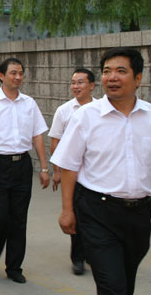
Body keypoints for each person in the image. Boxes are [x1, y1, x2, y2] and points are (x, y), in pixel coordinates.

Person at [52, 47, 151, 295]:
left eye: (121, 71)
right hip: (96, 211)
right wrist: (67, 210)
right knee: (112, 285)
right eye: (107, 71)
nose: (112, 77)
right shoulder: (86, 116)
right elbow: (69, 165)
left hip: (139, 214)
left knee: (125, 281)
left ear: (138, 78)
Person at [0, 57, 50, 284]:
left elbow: (37, 135)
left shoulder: (29, 103)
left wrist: (44, 167)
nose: (17, 77)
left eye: (20, 73)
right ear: (1, 75)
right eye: (13, 73)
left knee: (18, 219)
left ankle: (14, 267)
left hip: (22, 165)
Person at [48, 68, 96, 275]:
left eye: (80, 82)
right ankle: (78, 258)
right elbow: (55, 143)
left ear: (92, 86)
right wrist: (57, 171)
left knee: (97, 216)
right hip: (73, 173)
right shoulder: (64, 111)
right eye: (73, 83)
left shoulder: (102, 109)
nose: (76, 86)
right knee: (76, 214)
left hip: (96, 172)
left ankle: (95, 254)